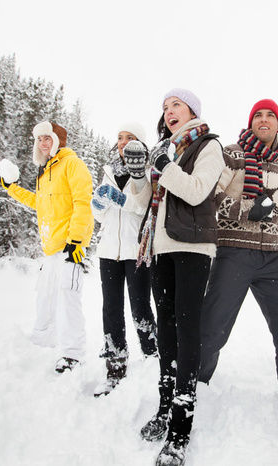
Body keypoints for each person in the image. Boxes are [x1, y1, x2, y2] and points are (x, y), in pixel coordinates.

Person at [124, 89, 224, 466]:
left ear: (192, 111)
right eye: (164, 107)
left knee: (186, 327)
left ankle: (181, 427)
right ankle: (165, 405)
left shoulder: (208, 146)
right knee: (164, 327)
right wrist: (138, 176)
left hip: (194, 247)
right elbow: (143, 201)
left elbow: (198, 192)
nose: (168, 112)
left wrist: (165, 165)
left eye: (175, 105)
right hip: (159, 247)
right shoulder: (163, 150)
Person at [198, 99, 278, 412]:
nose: (263, 120)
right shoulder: (233, 154)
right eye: (258, 115)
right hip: (234, 250)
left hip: (272, 256)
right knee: (213, 326)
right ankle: (195, 384)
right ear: (251, 122)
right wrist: (246, 210)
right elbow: (211, 194)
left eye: (270, 115)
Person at [0, 121, 94, 374]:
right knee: (45, 296)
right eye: (39, 139)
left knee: (67, 298)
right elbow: (39, 203)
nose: (43, 143)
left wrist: (76, 241)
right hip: (50, 249)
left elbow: (84, 203)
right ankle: (42, 342)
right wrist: (12, 189)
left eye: (47, 138)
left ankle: (72, 354)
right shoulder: (45, 170)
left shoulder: (72, 164)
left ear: (58, 139)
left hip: (68, 247)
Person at [91, 122, 158, 397]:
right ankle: (115, 366)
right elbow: (101, 216)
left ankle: (153, 359)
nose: (123, 142)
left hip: (136, 251)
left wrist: (119, 199)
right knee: (111, 310)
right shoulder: (108, 171)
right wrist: (98, 205)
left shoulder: (147, 173)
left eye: (129, 137)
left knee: (140, 307)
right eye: (120, 137)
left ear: (140, 144)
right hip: (109, 251)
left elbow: (144, 208)